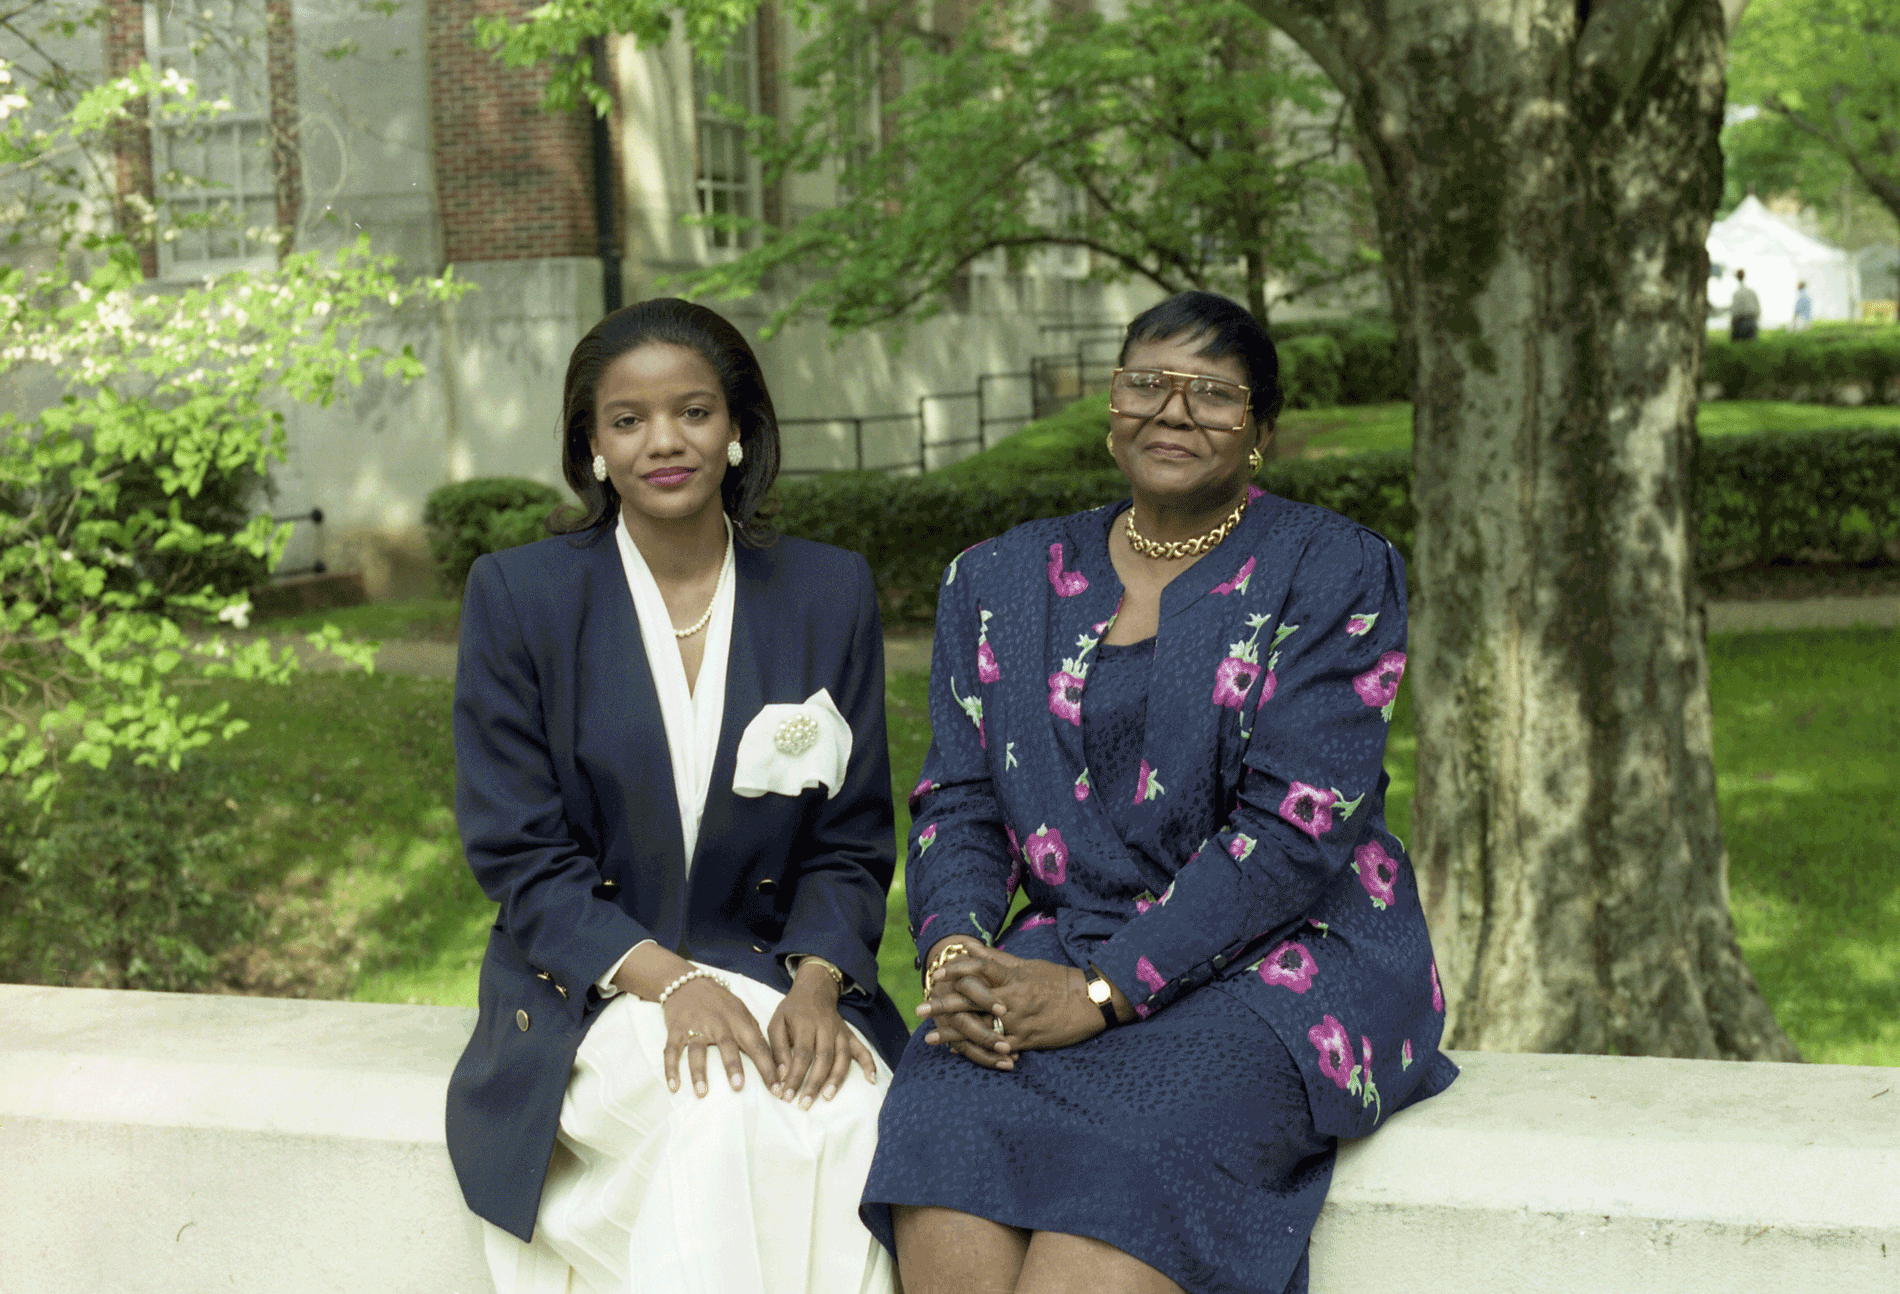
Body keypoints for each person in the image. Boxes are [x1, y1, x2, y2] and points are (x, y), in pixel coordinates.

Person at [862, 291, 1459, 1294]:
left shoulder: (1333, 570)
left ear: (1260, 432)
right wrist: (959, 955)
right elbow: (959, 797)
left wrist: (1103, 992)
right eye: (1147, 381)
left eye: (1214, 395)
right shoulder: (999, 578)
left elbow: (1291, 833)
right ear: (1111, 404)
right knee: (941, 1109)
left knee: (1134, 1159)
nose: (1172, 410)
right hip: (1068, 939)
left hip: (1290, 957)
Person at [445, 298, 909, 1294]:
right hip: (594, 988)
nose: (664, 440)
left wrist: (822, 982)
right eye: (628, 420)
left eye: (693, 412)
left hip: (777, 974)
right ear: (594, 446)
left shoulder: (827, 591)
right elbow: (521, 856)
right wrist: (672, 981)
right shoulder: (521, 596)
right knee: (725, 1112)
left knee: (860, 1110)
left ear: (738, 429)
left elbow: (852, 838)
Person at [1730, 268, 1761, 341]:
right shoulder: (1751, 291)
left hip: (1741, 322)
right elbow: (1757, 308)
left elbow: (1735, 311)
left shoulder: (1737, 293)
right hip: (1751, 321)